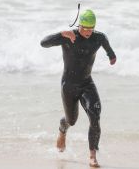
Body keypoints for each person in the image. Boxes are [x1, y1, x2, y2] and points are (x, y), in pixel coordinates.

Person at [40, 9, 117, 167]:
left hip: (87, 83)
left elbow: (107, 46)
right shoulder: (69, 37)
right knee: (71, 120)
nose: (88, 32)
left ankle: (92, 155)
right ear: (79, 25)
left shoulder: (99, 37)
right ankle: (62, 129)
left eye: (91, 28)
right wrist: (61, 34)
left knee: (95, 115)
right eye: (85, 28)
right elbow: (43, 43)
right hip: (68, 85)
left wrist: (111, 56)